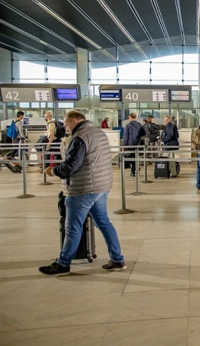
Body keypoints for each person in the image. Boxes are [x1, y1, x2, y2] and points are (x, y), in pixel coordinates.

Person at [39, 110, 126, 275]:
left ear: (74, 121)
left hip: (83, 189)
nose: (65, 128)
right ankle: (117, 259)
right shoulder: (98, 133)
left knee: (73, 227)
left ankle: (63, 263)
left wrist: (54, 171)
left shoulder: (79, 138)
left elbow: (71, 165)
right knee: (104, 223)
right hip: (101, 187)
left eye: (66, 124)